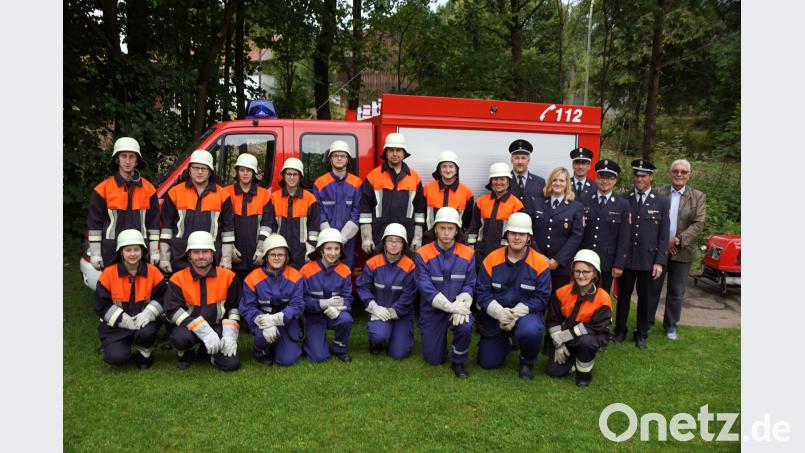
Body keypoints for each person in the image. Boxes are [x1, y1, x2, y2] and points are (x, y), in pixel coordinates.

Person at [475, 213, 551, 379]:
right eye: (513, 233)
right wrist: (499, 313)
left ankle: (527, 361)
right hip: (497, 316)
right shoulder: (492, 259)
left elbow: (542, 297)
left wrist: (516, 313)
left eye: (521, 234)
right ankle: (508, 342)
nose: (517, 237)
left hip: (525, 315)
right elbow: (482, 291)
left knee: (530, 331)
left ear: (529, 237)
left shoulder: (539, 263)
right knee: (488, 363)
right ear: (507, 235)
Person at [163, 231, 241, 371]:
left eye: (205, 252)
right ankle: (186, 351)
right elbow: (172, 310)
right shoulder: (178, 278)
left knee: (231, 364)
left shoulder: (229, 277)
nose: (200, 256)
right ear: (189, 255)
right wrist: (201, 329)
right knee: (180, 339)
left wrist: (230, 332)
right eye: (196, 252)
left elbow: (234, 306)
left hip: (216, 327)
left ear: (212, 254)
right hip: (188, 328)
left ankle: (207, 352)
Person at [613, 159, 670, 349]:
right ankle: (620, 330)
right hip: (627, 258)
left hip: (648, 259)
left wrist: (660, 261)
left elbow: (663, 234)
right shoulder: (623, 198)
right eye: (636, 175)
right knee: (623, 298)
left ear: (651, 178)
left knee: (646, 299)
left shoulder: (661, 201)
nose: (639, 178)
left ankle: (642, 333)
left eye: (643, 176)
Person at [414, 207, 476, 378]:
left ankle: (458, 361)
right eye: (442, 228)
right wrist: (449, 307)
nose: (446, 233)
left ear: (457, 230)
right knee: (434, 359)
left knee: (465, 325)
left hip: (458, 306)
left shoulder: (468, 253)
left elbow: (470, 284)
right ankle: (438, 348)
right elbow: (425, 287)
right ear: (435, 229)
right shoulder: (422, 254)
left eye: (450, 228)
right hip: (433, 310)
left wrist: (461, 305)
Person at [94, 229, 166, 368]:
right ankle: (115, 345)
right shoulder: (108, 274)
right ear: (121, 252)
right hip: (116, 326)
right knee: (116, 358)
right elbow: (101, 305)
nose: (132, 254)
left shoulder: (153, 272)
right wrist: (123, 319)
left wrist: (148, 313)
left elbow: (163, 297)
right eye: (128, 250)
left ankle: (145, 353)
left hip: (144, 323)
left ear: (142, 251)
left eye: (136, 249)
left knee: (147, 333)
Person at [87, 137, 160, 271]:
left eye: (132, 157)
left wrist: (154, 251)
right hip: (110, 250)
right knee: (112, 290)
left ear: (137, 160)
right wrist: (96, 253)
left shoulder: (149, 190)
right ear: (117, 159)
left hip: (140, 250)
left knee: (140, 290)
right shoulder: (102, 189)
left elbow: (154, 224)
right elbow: (94, 224)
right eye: (123, 156)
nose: (127, 161)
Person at [653, 159, 706, 340]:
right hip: (659, 250)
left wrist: (677, 241)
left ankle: (670, 325)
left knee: (676, 291)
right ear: (670, 172)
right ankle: (646, 322)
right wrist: (664, 243)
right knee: (653, 288)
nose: (679, 174)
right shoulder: (658, 192)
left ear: (688, 175)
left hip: (683, 251)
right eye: (676, 170)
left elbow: (698, 223)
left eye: (683, 172)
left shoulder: (698, 196)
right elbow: (650, 219)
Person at [160, 149, 235, 273]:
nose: (199, 172)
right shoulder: (174, 193)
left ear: (210, 171)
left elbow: (228, 231)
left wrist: (226, 259)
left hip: (211, 258)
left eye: (204, 168)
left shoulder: (223, 195)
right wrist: (164, 258)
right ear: (189, 169)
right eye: (196, 168)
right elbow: (166, 228)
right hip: (180, 257)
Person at [545, 249, 612, 387]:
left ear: (594, 274)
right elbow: (553, 319)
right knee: (553, 371)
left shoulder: (603, 298)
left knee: (586, 342)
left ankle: (584, 374)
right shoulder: (562, 292)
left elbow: (595, 327)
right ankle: (575, 360)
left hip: (589, 337)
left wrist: (567, 335)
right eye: (577, 271)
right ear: (573, 272)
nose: (581, 276)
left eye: (586, 272)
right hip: (566, 339)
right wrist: (559, 343)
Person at [240, 234, 305, 366]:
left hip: (286, 320)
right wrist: (263, 320)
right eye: (272, 254)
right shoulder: (252, 278)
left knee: (288, 360)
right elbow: (247, 307)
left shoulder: (296, 276)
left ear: (286, 256)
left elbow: (297, 305)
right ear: (265, 256)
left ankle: (281, 345)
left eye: (280, 255)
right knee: (262, 336)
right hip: (263, 321)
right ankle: (260, 352)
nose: (276, 258)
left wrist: (277, 318)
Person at [357, 223, 417, 359]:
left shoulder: (410, 266)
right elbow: (363, 286)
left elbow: (409, 294)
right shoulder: (373, 263)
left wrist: (394, 311)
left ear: (403, 245)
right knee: (379, 336)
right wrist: (373, 306)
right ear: (384, 243)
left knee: (399, 354)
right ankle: (376, 343)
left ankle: (401, 335)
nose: (394, 244)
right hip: (379, 310)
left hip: (401, 313)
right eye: (390, 240)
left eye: (398, 241)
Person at [360, 132, 426, 254]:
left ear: (404, 153)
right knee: (378, 269)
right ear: (385, 152)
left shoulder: (414, 177)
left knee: (406, 270)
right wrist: (366, 238)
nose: (395, 154)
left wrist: (417, 237)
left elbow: (420, 211)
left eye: (398, 150)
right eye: (391, 150)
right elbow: (365, 210)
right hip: (379, 236)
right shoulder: (373, 176)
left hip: (407, 236)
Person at [300, 228, 354, 363]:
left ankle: (339, 348)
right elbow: (301, 300)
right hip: (313, 317)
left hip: (334, 314)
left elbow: (348, 298)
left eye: (337, 249)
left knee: (346, 319)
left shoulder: (345, 270)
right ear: (321, 250)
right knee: (319, 357)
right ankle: (310, 339)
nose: (333, 253)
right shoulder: (306, 270)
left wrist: (339, 309)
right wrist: (323, 304)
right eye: (329, 248)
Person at [222, 153, 272, 294]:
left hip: (255, 256)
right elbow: (223, 223)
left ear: (254, 173)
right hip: (233, 255)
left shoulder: (264, 195)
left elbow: (267, 225)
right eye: (242, 169)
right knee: (233, 292)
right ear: (237, 171)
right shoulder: (226, 193)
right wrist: (229, 247)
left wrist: (261, 249)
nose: (245, 173)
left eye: (249, 170)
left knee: (255, 292)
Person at [579, 159, 630, 293]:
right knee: (582, 295)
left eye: (609, 178)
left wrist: (619, 264)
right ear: (596, 178)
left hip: (607, 261)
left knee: (602, 298)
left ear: (615, 180)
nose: (605, 181)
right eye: (601, 177)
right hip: (585, 259)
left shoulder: (622, 204)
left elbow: (624, 237)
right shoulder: (584, 200)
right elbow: (578, 232)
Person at [532, 167, 584, 295]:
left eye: (562, 180)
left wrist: (558, 260)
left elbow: (576, 236)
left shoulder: (576, 207)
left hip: (561, 266)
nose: (558, 183)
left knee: (558, 301)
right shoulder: (537, 203)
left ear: (567, 184)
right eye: (554, 180)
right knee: (536, 298)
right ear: (550, 182)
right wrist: (539, 256)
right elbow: (529, 231)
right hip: (537, 261)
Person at [312, 140, 362, 267]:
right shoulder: (320, 183)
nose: (339, 158)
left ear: (348, 159)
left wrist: (342, 238)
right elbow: (318, 211)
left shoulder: (357, 183)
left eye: (343, 155)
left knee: (345, 271)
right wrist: (329, 237)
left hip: (348, 240)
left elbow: (357, 212)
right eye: (335, 155)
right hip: (325, 239)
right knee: (325, 271)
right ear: (330, 159)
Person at [266, 157, 320, 269]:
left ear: (300, 177)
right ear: (284, 176)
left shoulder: (310, 199)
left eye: (295, 174)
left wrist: (311, 250)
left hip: (302, 254)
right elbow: (270, 226)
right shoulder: (274, 198)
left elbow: (314, 228)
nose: (291, 177)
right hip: (279, 252)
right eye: (288, 174)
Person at [467, 163, 524, 264]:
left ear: (508, 181)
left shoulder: (516, 205)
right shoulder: (481, 202)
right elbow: (474, 227)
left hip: (504, 254)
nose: (498, 182)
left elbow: (519, 234)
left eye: (502, 179)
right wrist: (471, 247)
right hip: (481, 253)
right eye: (495, 179)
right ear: (491, 181)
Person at [422, 150, 474, 235]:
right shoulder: (427, 189)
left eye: (451, 166)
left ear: (456, 169)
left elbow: (468, 222)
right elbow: (422, 215)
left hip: (456, 240)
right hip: (430, 238)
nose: (448, 170)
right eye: (444, 166)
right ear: (439, 169)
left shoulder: (467, 193)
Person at [508, 139, 546, 216]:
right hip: (509, 225)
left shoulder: (540, 182)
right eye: (516, 158)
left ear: (528, 160)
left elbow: (544, 207)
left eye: (523, 158)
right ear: (512, 160)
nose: (520, 162)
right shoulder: (504, 181)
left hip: (533, 226)